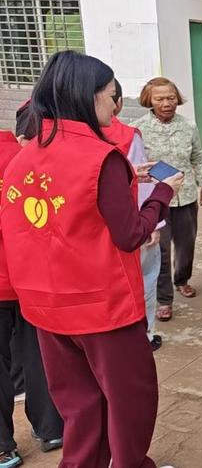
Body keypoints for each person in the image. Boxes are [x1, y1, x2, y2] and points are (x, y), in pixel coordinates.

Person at [0, 51, 182, 468]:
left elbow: (64, 210)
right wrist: (162, 193)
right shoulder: (101, 158)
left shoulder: (24, 156)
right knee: (130, 400)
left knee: (79, 404)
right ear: (88, 95)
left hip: (46, 307)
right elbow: (131, 233)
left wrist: (129, 178)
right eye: (111, 95)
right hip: (103, 307)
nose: (114, 106)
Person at [0, 109, 63, 468]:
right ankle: (51, 427)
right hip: (34, 277)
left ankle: (2, 445)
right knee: (39, 352)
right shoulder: (31, 156)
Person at [133, 77, 202, 321]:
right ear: (149, 100)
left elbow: (198, 157)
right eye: (160, 99)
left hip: (184, 196)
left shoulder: (189, 126)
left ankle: (182, 279)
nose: (166, 103)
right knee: (161, 250)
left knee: (186, 245)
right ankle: (164, 299)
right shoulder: (137, 129)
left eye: (171, 98)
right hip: (155, 199)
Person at [104, 80, 166, 350]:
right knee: (146, 275)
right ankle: (145, 334)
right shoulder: (128, 135)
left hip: (100, 229)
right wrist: (153, 223)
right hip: (133, 223)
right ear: (118, 103)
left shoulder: (66, 140)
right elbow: (143, 185)